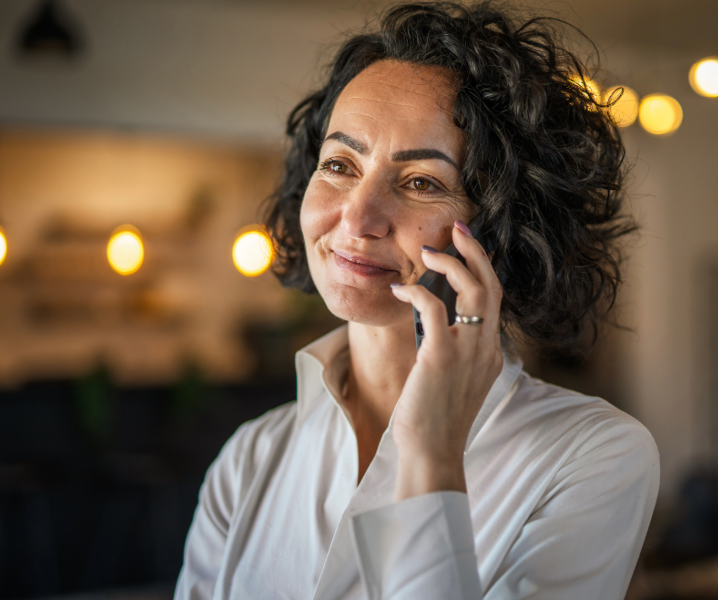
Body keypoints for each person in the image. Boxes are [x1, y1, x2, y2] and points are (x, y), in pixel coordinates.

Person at [175, 3, 659, 599]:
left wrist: (431, 451)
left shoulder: (593, 455)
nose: (357, 217)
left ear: (504, 230)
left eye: (421, 182)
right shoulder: (250, 458)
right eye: (339, 165)